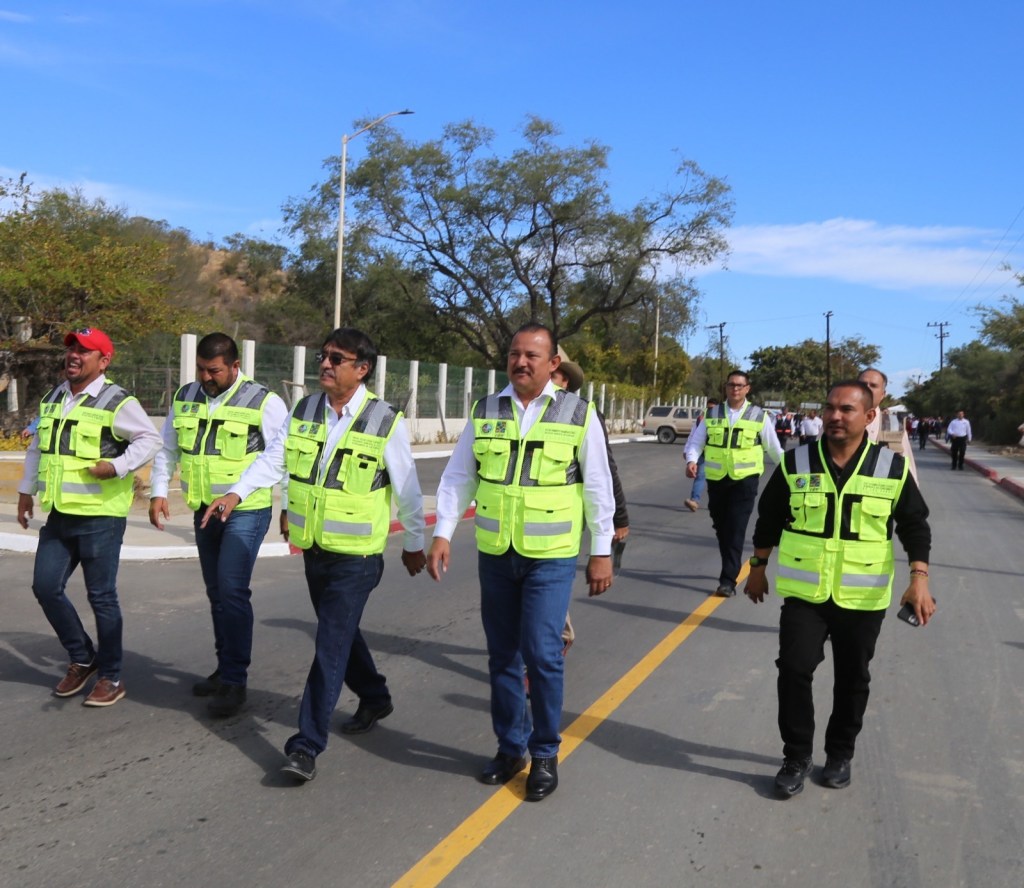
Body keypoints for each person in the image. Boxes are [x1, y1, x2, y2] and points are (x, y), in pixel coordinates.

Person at [203, 327, 426, 782]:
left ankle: (305, 745)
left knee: (328, 645)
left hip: (359, 556)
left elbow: (408, 489)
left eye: (336, 358)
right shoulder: (305, 409)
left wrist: (415, 544)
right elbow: (274, 460)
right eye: (323, 356)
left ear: (361, 369)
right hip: (315, 547)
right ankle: (375, 695)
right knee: (338, 632)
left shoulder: (385, 421)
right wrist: (236, 492)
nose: (324, 364)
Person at [426, 323, 615, 802]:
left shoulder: (578, 413)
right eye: (514, 354)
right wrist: (443, 532)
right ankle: (511, 747)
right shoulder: (486, 409)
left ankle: (545, 751)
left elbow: (597, 485)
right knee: (502, 656)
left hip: (549, 558)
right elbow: (458, 476)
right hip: (496, 554)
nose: (521, 362)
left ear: (553, 364)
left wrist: (601, 550)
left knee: (542, 654)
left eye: (532, 355)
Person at [744, 380, 934, 798]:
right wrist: (757, 567)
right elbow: (769, 517)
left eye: (846, 409)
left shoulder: (891, 468)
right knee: (793, 670)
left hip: (862, 597)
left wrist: (918, 580)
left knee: (852, 678)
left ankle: (839, 754)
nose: (834, 416)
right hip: (805, 595)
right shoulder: (795, 463)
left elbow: (915, 526)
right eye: (830, 408)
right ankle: (796, 755)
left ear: (868, 417)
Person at [17, 327, 161, 707]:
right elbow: (37, 449)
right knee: (45, 587)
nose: (74, 356)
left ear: (104, 360)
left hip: (100, 517)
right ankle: (83, 657)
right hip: (61, 515)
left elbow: (150, 440)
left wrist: (117, 467)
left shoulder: (117, 400)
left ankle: (111, 677)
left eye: (85, 351)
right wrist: (24, 492)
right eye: (71, 350)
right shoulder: (55, 397)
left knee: (102, 598)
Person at [149, 333, 288, 717]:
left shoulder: (264, 401)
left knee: (231, 590)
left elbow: (285, 457)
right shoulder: (186, 396)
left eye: (214, 371)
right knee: (216, 593)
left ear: (234, 366)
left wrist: (288, 508)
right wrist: (158, 491)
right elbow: (169, 448)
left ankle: (235, 682)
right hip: (203, 510)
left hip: (247, 510)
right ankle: (224, 667)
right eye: (201, 369)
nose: (206, 377)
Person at [683, 371, 783, 597]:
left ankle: (727, 580)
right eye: (731, 385)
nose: (735, 389)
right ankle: (731, 564)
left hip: (745, 481)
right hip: (718, 479)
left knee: (736, 528)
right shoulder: (712, 413)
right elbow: (697, 442)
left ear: (748, 388)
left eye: (739, 385)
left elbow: (774, 448)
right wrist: (691, 460)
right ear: (725, 388)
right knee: (722, 527)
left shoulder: (759, 416)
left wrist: (791, 472)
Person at [858, 368, 917, 482]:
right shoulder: (835, 420)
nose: (867, 388)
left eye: (873, 385)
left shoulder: (892, 424)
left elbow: (906, 469)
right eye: (863, 384)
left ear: (883, 394)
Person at [684, 398, 718, 512]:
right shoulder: (701, 419)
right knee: (700, 475)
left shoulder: (723, 420)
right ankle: (694, 500)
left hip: (718, 454)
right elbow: (693, 436)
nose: (710, 410)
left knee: (716, 479)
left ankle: (718, 502)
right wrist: (688, 452)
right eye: (708, 408)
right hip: (702, 452)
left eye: (712, 408)